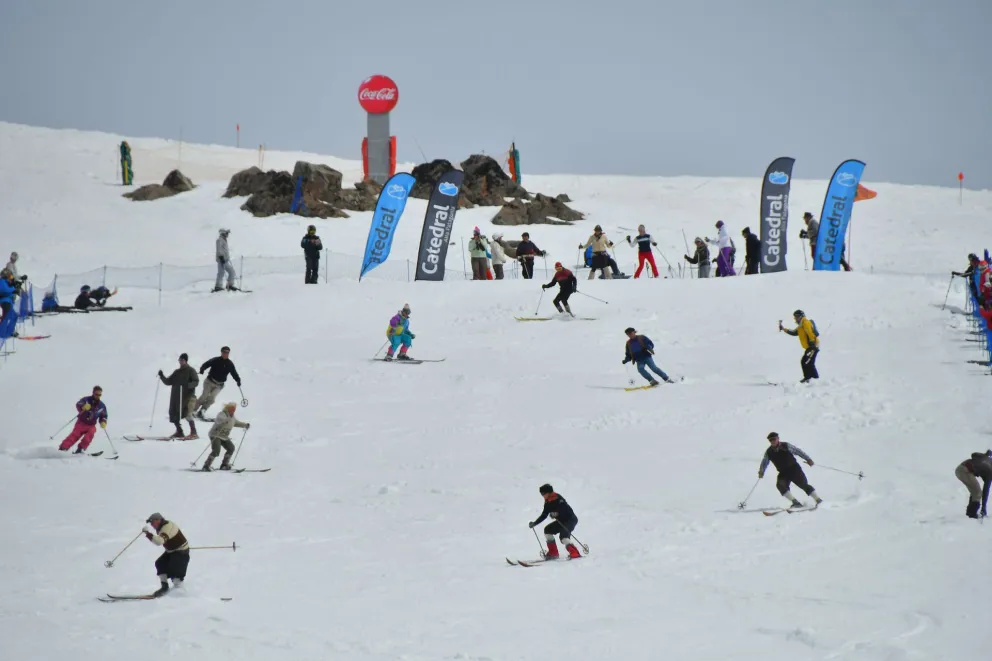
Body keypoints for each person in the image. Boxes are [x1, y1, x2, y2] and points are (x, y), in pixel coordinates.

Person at [758, 432, 823, 509]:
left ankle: (818, 499)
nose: (772, 441)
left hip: (794, 469)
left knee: (803, 484)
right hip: (783, 472)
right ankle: (795, 502)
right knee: (780, 485)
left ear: (778, 439)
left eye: (774, 439)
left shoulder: (786, 446)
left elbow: (798, 451)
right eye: (770, 440)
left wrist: (808, 459)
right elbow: (764, 462)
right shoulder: (769, 452)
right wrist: (761, 471)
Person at [528, 483, 581, 559]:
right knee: (547, 530)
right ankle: (553, 553)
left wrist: (556, 513)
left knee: (563, 536)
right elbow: (544, 514)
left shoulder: (558, 498)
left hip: (570, 520)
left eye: (543, 493)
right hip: (561, 521)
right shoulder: (547, 502)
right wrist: (535, 523)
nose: (542, 496)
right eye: (541, 494)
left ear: (549, 492)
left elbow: (565, 509)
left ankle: (575, 553)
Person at [143, 513, 189, 596]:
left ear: (158, 520)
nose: (152, 525)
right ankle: (164, 587)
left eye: (153, 522)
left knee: (175, 571)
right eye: (151, 523)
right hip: (172, 551)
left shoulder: (167, 527)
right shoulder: (161, 527)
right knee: (160, 563)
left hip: (181, 552)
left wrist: (148, 534)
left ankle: (179, 593)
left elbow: (159, 541)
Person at [158, 353, 200, 439]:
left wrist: (187, 385)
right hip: (177, 398)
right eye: (180, 360)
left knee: (188, 414)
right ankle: (179, 432)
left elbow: (196, 381)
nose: (181, 362)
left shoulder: (191, 370)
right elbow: (168, 381)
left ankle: (194, 433)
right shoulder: (177, 372)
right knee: (174, 413)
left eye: (182, 360)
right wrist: (162, 376)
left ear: (186, 361)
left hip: (188, 397)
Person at [194, 347, 242, 420]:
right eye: (224, 352)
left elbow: (234, 373)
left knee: (211, 399)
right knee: (204, 396)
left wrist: (238, 380)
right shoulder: (215, 360)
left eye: (227, 352)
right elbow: (207, 364)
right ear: (221, 352)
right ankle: (193, 410)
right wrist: (202, 369)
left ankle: (201, 411)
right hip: (209, 381)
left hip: (219, 385)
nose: (226, 354)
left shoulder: (230, 364)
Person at [58, 386, 108, 453]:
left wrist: (103, 422)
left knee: (90, 434)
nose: (98, 396)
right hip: (81, 422)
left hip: (91, 425)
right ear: (93, 393)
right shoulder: (86, 400)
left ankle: (81, 449)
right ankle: (63, 448)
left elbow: (104, 415)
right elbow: (78, 404)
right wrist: (83, 406)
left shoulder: (102, 406)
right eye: (96, 394)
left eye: (100, 395)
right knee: (74, 435)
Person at [202, 402, 250, 471]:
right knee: (216, 450)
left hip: (224, 436)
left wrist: (245, 425)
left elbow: (236, 423)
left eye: (234, 409)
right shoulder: (222, 414)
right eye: (231, 409)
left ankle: (224, 465)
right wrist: (225, 420)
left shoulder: (232, 417)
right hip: (216, 435)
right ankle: (206, 466)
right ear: (227, 409)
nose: (233, 410)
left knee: (231, 448)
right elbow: (219, 420)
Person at [779, 309, 819, 383]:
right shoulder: (801, 326)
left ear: (801, 316)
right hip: (809, 347)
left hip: (812, 346)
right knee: (806, 362)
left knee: (807, 362)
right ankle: (809, 378)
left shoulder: (805, 323)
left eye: (796, 317)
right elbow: (794, 332)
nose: (795, 319)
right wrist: (783, 329)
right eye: (795, 317)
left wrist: (812, 343)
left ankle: (813, 379)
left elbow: (810, 333)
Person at [955, 450, 992, 519]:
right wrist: (983, 507)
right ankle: (972, 515)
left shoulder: (988, 458)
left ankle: (970, 513)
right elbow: (985, 491)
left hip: (960, 468)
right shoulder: (990, 472)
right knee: (977, 493)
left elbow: (974, 454)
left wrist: (985, 455)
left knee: (974, 491)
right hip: (965, 471)